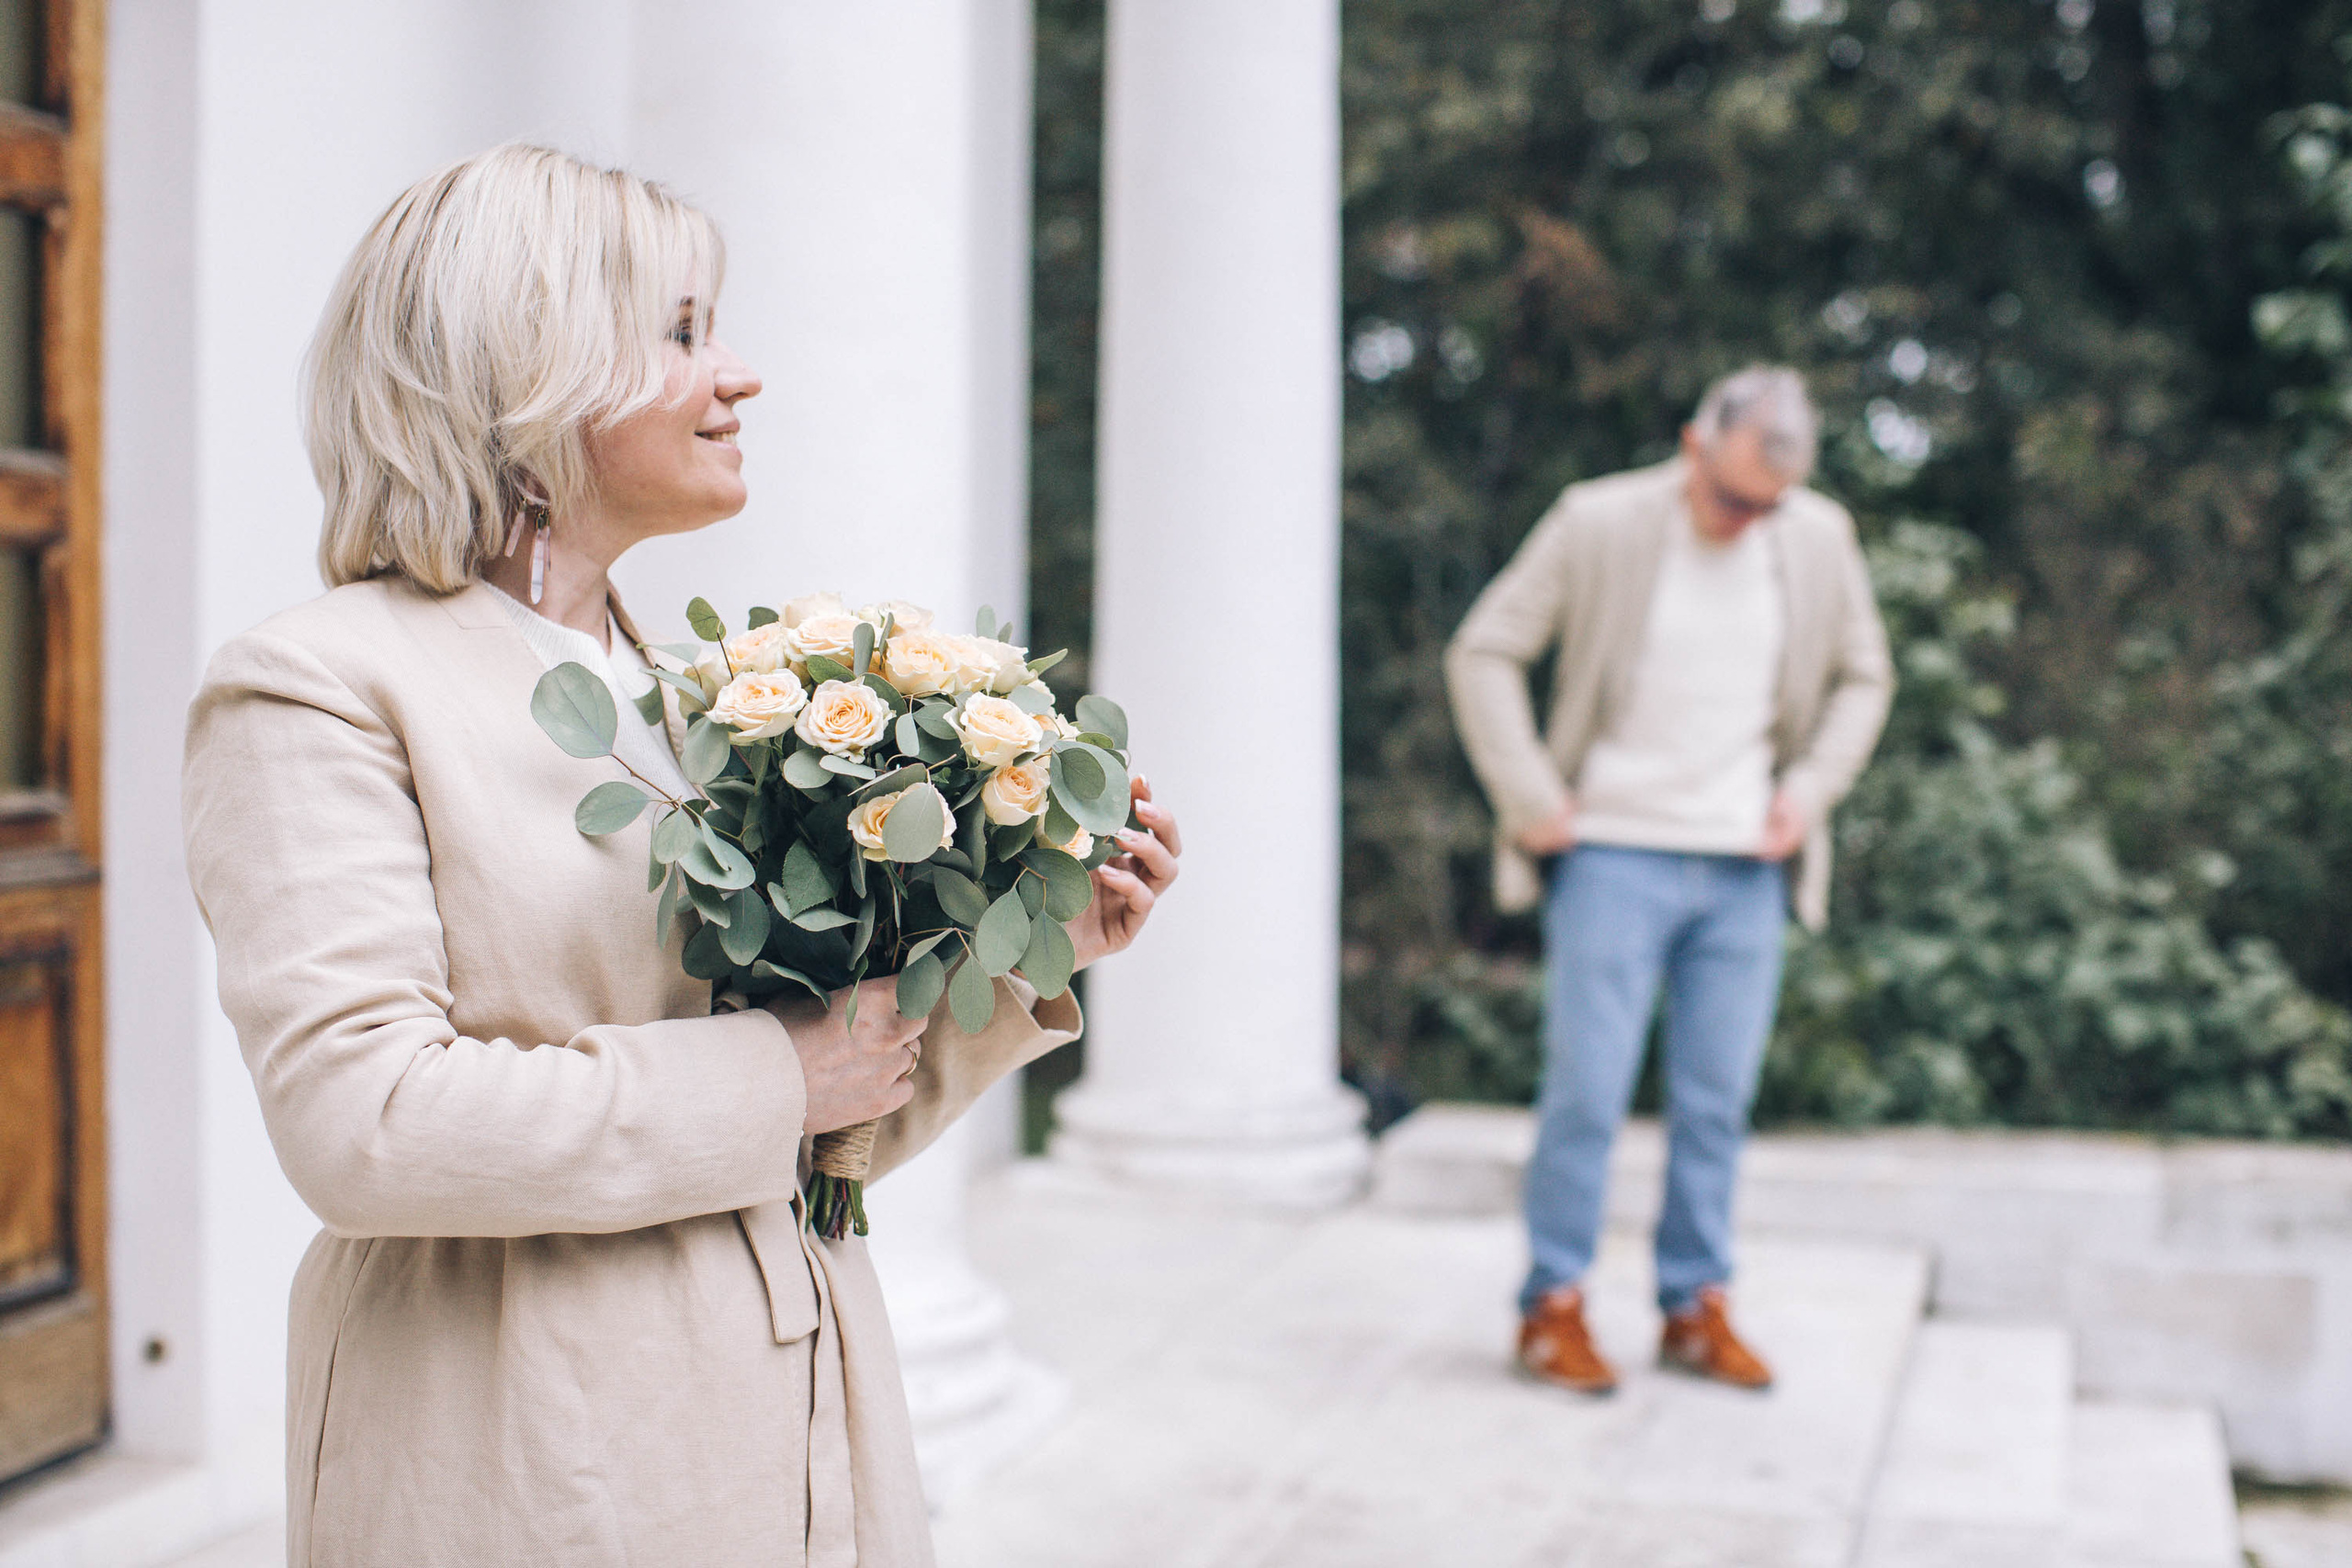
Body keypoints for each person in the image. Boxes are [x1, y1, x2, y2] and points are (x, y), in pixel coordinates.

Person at [180, 144, 1182, 1566]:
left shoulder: (697, 698)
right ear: (528, 369)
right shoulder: (315, 686)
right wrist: (783, 1069)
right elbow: (365, 1122)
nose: (737, 375)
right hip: (520, 1437)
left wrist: (1031, 950)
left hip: (796, 1410)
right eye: (683, 330)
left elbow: (822, 1119)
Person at [1444, 367, 1890, 1396]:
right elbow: (1484, 649)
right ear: (1694, 445)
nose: (1747, 520)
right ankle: (1552, 1306)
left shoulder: (1817, 539)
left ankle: (1695, 1306)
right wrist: (1530, 797)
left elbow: (1867, 673)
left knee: (1717, 1101)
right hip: (1610, 854)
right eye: (1733, 496)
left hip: (1747, 867)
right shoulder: (1596, 521)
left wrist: (1809, 792)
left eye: (1766, 505)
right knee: (1586, 1096)